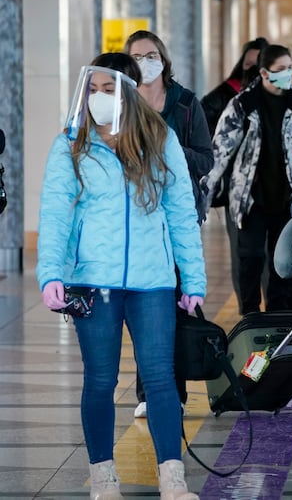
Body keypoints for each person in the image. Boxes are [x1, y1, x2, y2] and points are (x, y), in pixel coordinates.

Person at [37, 53, 205, 499]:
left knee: (160, 377)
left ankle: (173, 478)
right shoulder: (72, 142)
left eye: (107, 90)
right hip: (95, 280)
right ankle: (103, 476)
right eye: (92, 89)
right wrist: (50, 273)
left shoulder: (160, 138)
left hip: (152, 281)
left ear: (129, 92)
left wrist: (194, 280)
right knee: (99, 380)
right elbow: (55, 213)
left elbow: (182, 214)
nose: (97, 98)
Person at [122, 30, 214, 419]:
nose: (146, 62)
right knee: (146, 306)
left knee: (174, 305)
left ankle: (172, 391)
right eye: (137, 57)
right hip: (136, 220)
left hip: (177, 218)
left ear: (163, 57)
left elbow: (206, 159)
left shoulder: (187, 103)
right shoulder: (120, 105)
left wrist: (168, 151)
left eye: (151, 54)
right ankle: (150, 391)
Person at [202, 44, 292, 314]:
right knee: (250, 258)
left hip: (288, 196)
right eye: (280, 70)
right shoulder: (242, 105)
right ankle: (249, 313)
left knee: (282, 261)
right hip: (250, 198)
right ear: (264, 73)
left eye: (289, 68)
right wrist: (203, 196)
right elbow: (220, 152)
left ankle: (278, 313)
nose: (287, 74)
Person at [201, 36, 270, 316]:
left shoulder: (282, 97)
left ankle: (276, 309)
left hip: (273, 190)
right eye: (248, 63)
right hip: (237, 192)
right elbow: (205, 137)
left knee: (273, 255)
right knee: (245, 253)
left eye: (259, 64)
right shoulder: (223, 96)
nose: (252, 70)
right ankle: (249, 312)